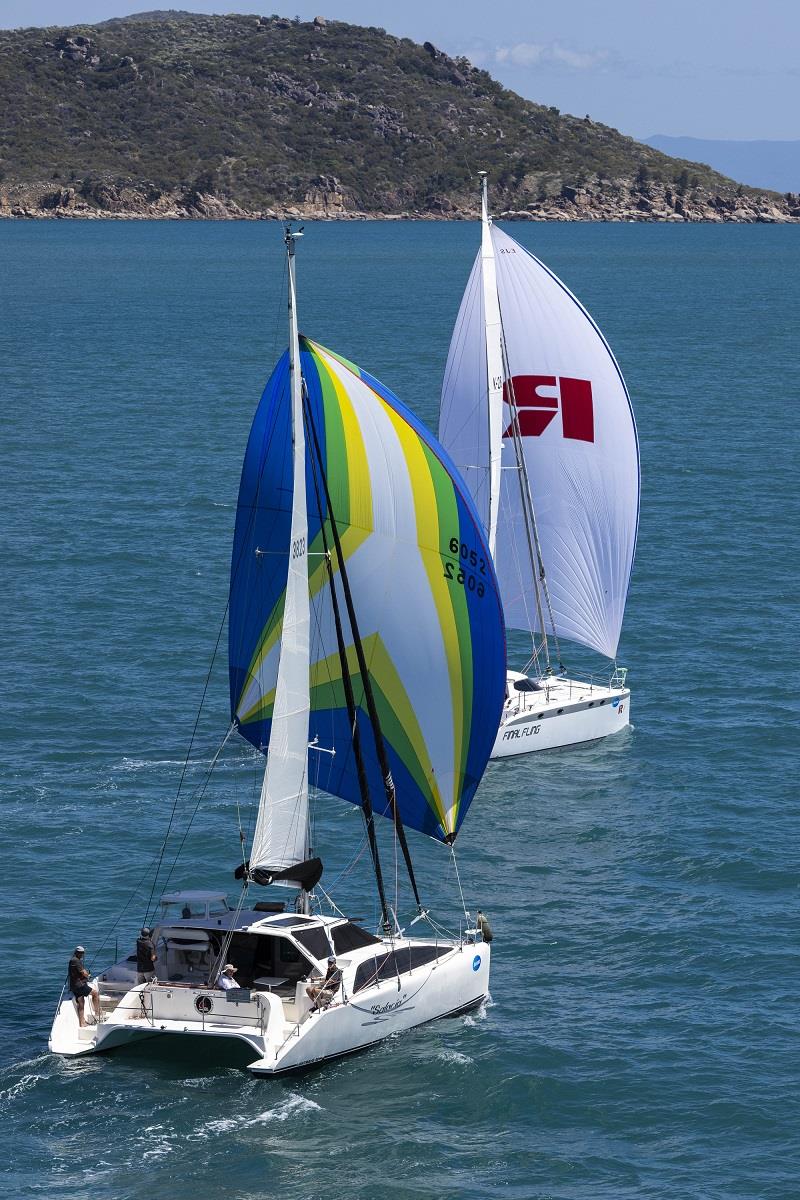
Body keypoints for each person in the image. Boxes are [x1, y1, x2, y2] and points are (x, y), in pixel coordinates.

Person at [67, 945, 98, 1027]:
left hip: (73, 986)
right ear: (78, 953)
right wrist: (88, 976)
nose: (82, 955)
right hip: (79, 985)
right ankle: (97, 1012)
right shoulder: (76, 961)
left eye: (83, 953)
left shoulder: (72, 960)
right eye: (81, 953)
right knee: (95, 993)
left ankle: (82, 1022)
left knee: (81, 1003)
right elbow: (84, 972)